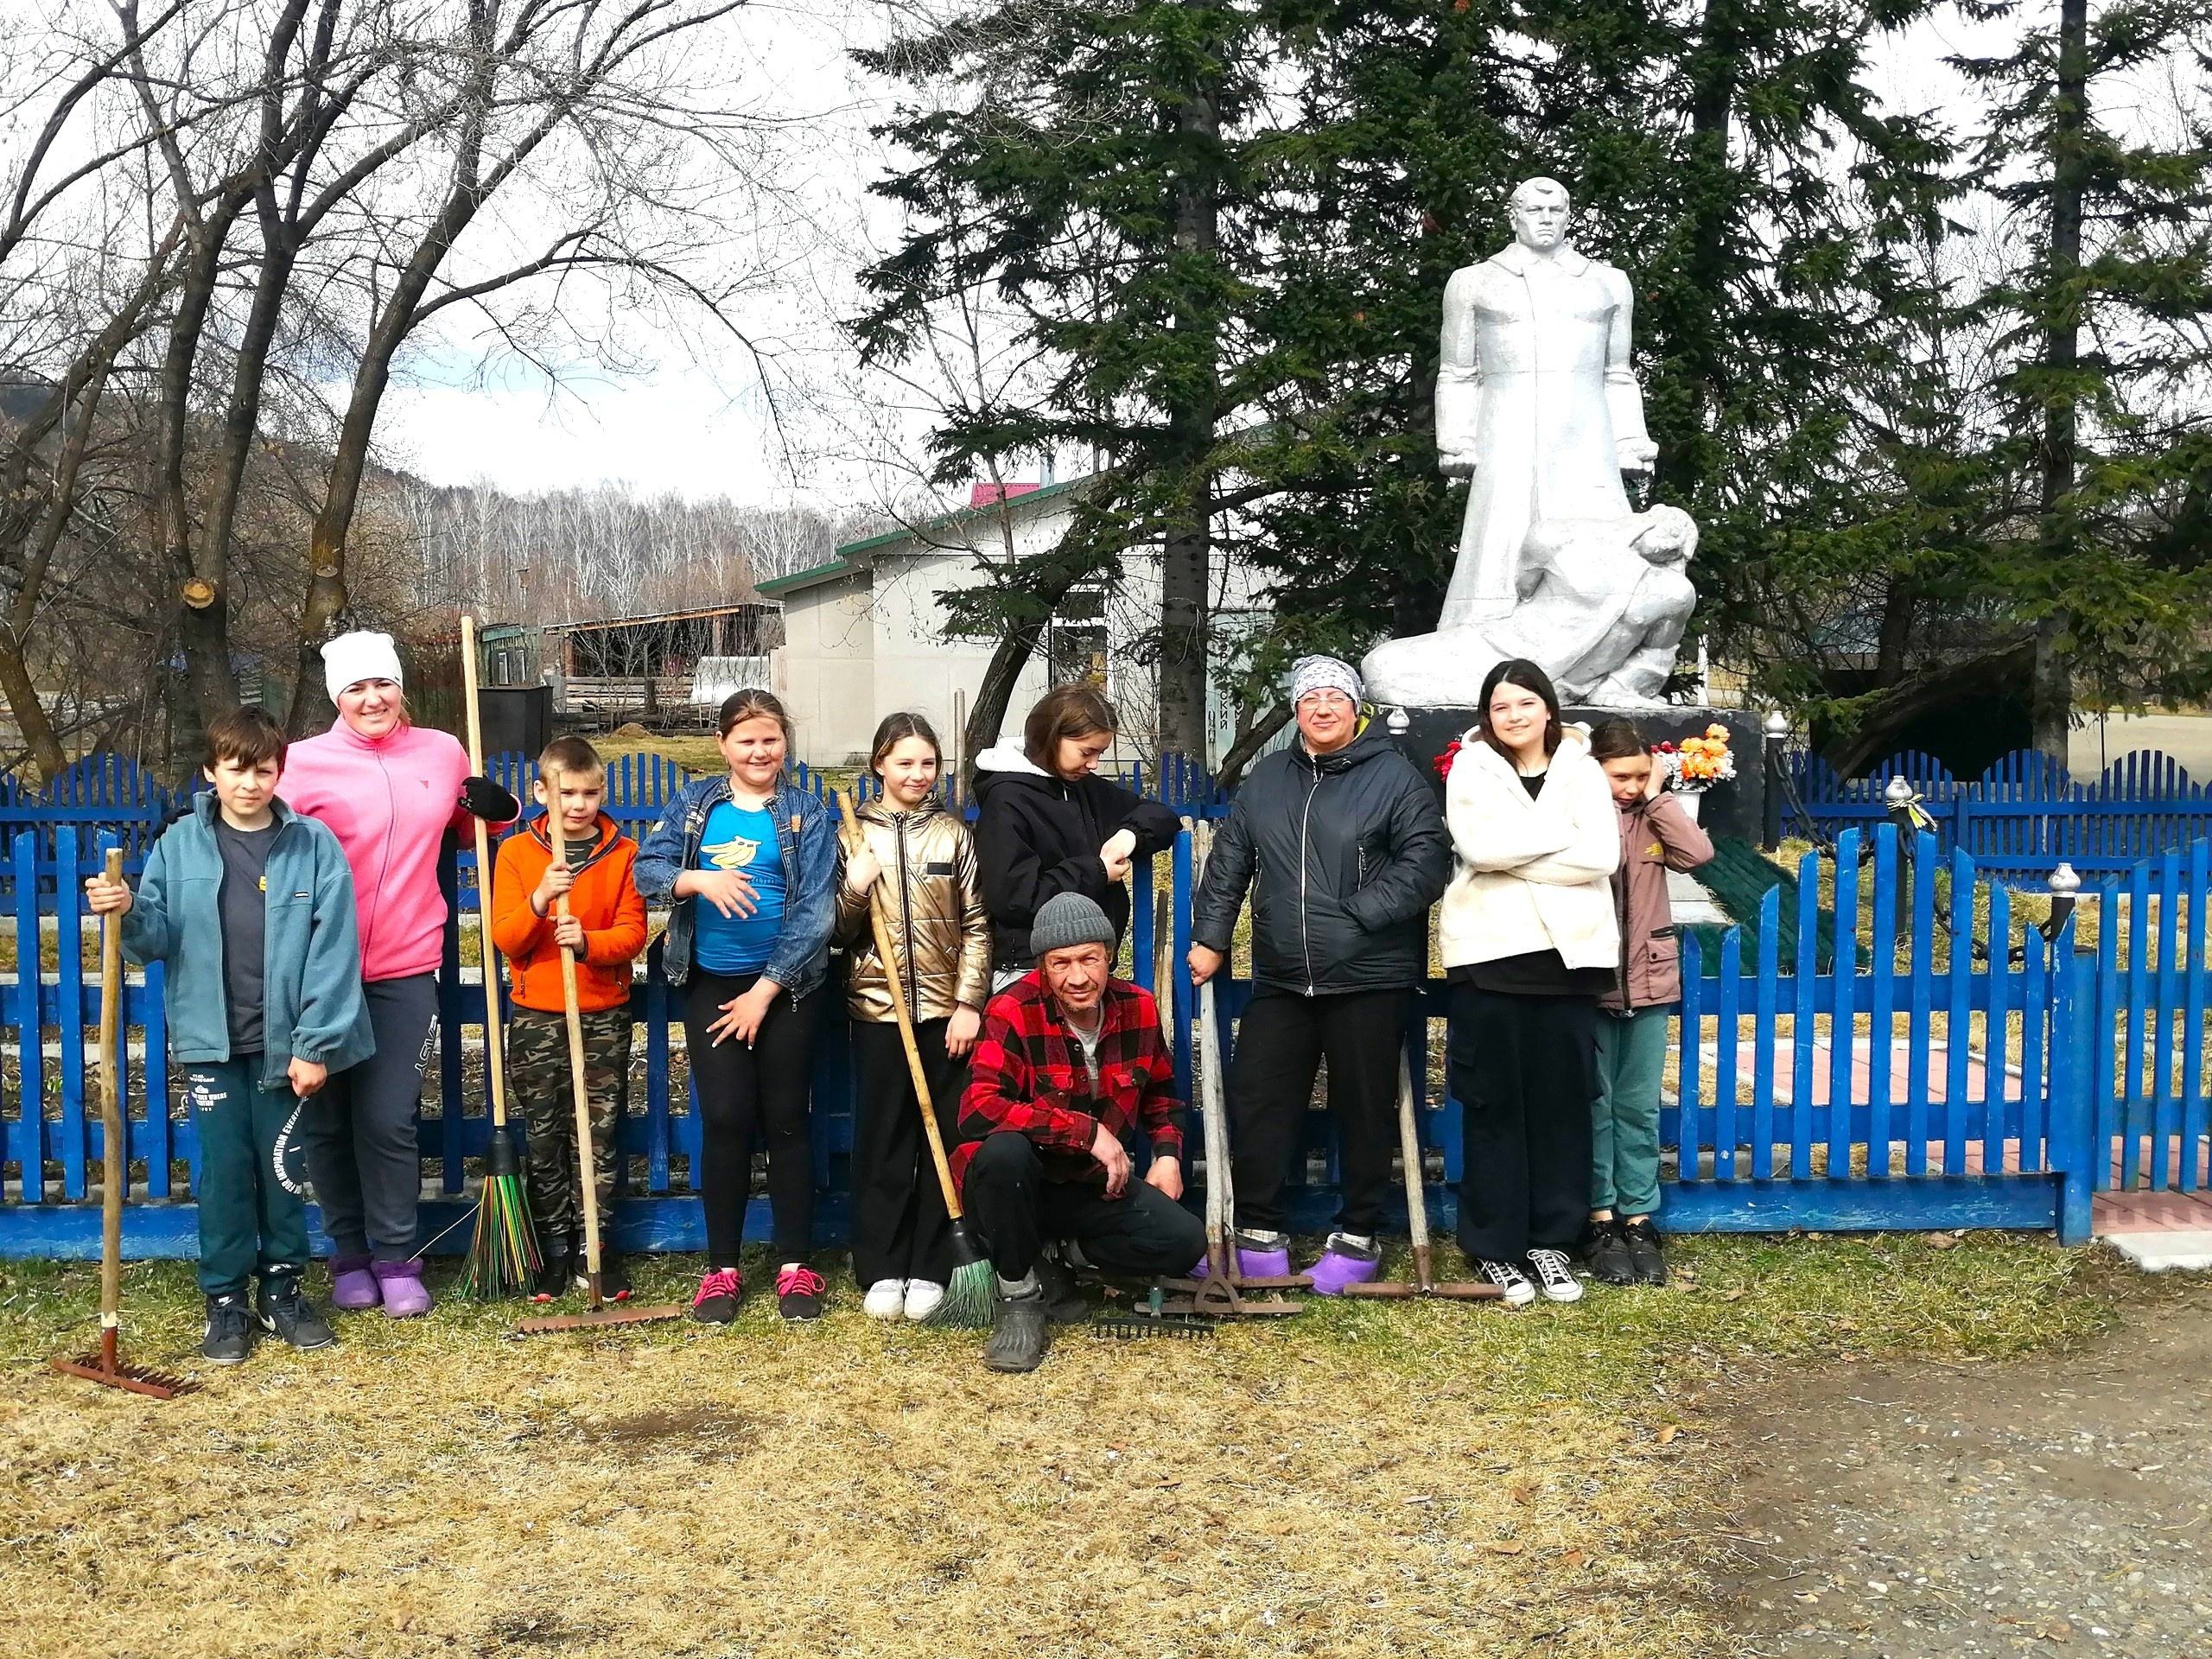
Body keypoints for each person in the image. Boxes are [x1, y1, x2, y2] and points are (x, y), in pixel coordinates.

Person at [86, 708, 374, 1363]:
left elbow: (335, 950)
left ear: (280, 772)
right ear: (212, 771)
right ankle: (225, 1302)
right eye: (236, 769)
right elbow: (153, 939)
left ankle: (283, 1292)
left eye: (264, 770)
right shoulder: (179, 844)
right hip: (210, 1041)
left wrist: (315, 1044)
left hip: (287, 1045)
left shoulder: (312, 845)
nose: (250, 783)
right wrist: (127, 910)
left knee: (283, 1171)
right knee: (221, 1174)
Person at [1188, 656, 1451, 1292]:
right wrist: (1212, 937)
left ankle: (1357, 1238)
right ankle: (1258, 1234)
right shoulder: (1267, 777)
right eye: (1310, 699)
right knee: (1259, 1100)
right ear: (1297, 711)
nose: (1323, 707)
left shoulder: (1394, 778)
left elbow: (1428, 859)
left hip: (1368, 975)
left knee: (1363, 1108)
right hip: (1282, 976)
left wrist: (1360, 913)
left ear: (1355, 708)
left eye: (1336, 697)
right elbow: (1230, 861)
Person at [277, 631, 518, 1318]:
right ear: (336, 697)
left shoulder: (441, 752)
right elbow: (257, 831)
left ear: (399, 687)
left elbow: (473, 829)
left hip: (408, 963)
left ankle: (394, 1255)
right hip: (317, 968)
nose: (372, 698)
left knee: (389, 1118)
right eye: (355, 688)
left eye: (382, 684)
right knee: (325, 1117)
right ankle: (347, 1253)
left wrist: (499, 814)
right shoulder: (303, 764)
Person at [635, 689, 838, 1323]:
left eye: (771, 740)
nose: (759, 751)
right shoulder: (696, 805)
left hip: (786, 989)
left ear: (785, 743)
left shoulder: (807, 813)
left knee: (785, 1119)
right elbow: (648, 869)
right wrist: (697, 880)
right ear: (722, 744)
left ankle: (795, 1266)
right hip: (712, 985)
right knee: (723, 1117)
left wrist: (765, 990)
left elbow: (816, 914)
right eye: (746, 740)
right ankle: (721, 1269)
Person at [954, 893, 1205, 1373]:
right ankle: (1020, 1296)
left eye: (1089, 959)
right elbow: (979, 1109)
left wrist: (1168, 1155)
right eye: (1060, 963)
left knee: (1184, 1242)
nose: (1077, 977)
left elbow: (1162, 1095)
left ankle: (1061, 1260)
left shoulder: (1139, 1007)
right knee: (1003, 1152)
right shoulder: (1012, 1009)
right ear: (1043, 968)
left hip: (1091, 1185)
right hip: (1018, 1187)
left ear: (1109, 956)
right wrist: (1084, 1132)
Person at [1439, 658, 1619, 1306]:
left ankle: (1552, 1241)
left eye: (1524, 703)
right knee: (1495, 1108)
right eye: (1499, 707)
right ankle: (1495, 1248)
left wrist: (1519, 852)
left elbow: (1603, 854)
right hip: (1492, 960)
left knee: (1562, 1109)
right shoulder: (1471, 767)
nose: (1512, 716)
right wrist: (1557, 842)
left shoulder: (1582, 768)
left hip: (1569, 963)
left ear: (1549, 708)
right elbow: (1480, 850)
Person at [836, 713, 992, 1323]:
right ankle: (881, 1265)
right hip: (878, 1011)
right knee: (884, 1138)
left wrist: (968, 1004)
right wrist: (853, 888)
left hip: (942, 1014)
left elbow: (977, 925)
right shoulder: (852, 835)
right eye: (904, 762)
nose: (917, 774)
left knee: (943, 1138)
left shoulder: (953, 835)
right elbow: (839, 931)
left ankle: (931, 1263)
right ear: (879, 764)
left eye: (927, 763)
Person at [491, 735, 648, 1303]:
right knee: (546, 1135)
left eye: (589, 792)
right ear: (541, 792)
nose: (578, 805)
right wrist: (539, 900)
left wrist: (587, 942)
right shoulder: (516, 853)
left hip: (601, 1013)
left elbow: (633, 933)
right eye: (566, 794)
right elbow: (504, 937)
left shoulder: (623, 853)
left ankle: (595, 1249)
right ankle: (555, 1248)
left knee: (598, 1135)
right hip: (537, 1016)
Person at [1583, 720, 1713, 1287]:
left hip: (1651, 982)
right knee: (1595, 1108)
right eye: (1620, 777)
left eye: (1640, 775)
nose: (1630, 786)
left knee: (1638, 1108)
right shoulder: (1584, 813)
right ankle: (1599, 1216)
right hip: (1590, 983)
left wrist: (1659, 795)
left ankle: (1639, 1215)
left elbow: (1697, 853)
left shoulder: (1654, 813)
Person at [970, 683, 1180, 988]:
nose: (1094, 764)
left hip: (1088, 960)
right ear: (1052, 739)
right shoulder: (1007, 800)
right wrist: (1097, 872)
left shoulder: (1083, 787)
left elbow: (1161, 815)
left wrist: (1128, 835)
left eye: (1100, 752)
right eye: (1087, 751)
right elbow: (1015, 899)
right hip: (1031, 969)